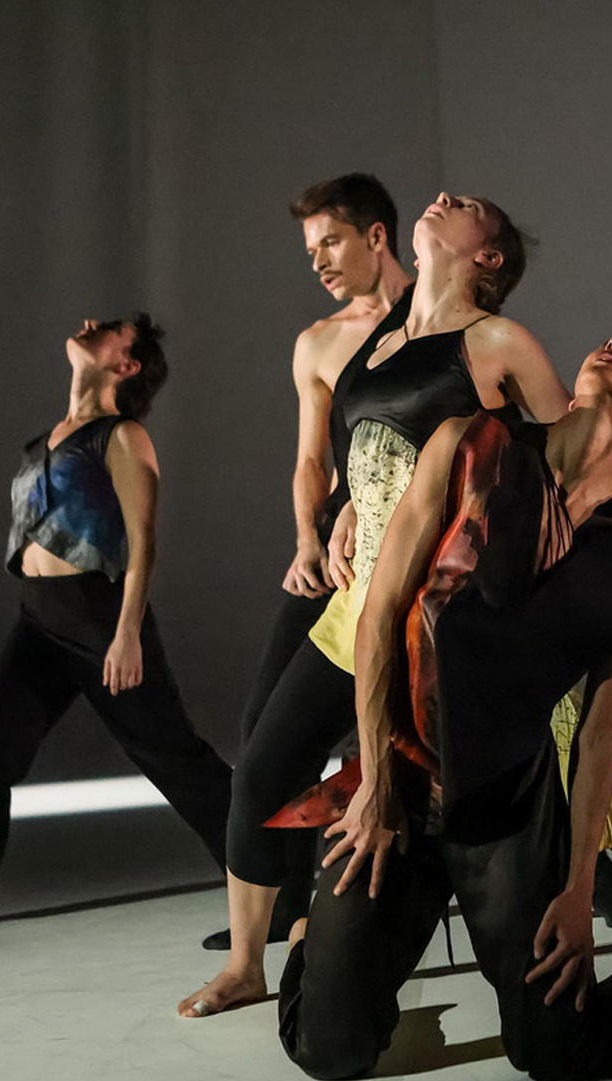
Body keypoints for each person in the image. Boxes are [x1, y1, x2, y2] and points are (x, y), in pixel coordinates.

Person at [273, 336, 612, 1081]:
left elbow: (597, 734)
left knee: (557, 1050)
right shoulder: (473, 444)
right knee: (326, 1049)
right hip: (397, 780)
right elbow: (378, 616)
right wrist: (370, 787)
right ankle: (321, 939)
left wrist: (578, 889)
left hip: (512, 809)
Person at [179, 191, 568, 1017]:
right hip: (354, 604)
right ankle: (249, 961)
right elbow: (364, 443)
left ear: (486, 257)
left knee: (441, 789)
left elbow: (559, 466)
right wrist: (355, 499)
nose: (446, 197)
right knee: (263, 773)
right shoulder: (385, 341)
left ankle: (559, 899)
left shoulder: (497, 341)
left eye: (468, 207)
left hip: (433, 617)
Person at [0, 316, 232, 934]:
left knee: (176, 759)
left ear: (127, 366)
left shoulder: (120, 437)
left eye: (111, 331)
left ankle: (274, 893)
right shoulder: (44, 439)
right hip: (38, 622)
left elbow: (143, 542)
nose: (89, 325)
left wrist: (126, 634)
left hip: (99, 618)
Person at [202, 173, 416, 954]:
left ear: (377, 236)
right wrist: (303, 538)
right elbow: (306, 459)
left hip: (416, 539)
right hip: (337, 546)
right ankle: (287, 909)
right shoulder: (319, 341)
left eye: (330, 242)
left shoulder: (439, 317)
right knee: (264, 733)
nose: (318, 261)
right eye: (310, 249)